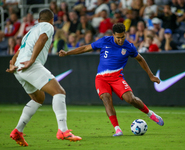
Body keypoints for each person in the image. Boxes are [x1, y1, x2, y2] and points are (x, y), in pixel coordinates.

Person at [59, 23, 164, 137]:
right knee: (106, 98)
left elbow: (140, 59)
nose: (120, 40)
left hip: (117, 78)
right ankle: (117, 129)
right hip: (101, 78)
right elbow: (85, 48)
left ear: (125, 35)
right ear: (113, 35)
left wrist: (151, 75)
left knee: (130, 99)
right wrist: (67, 53)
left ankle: (151, 114)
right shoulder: (105, 40)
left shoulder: (129, 47)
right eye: (118, 37)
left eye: (122, 37)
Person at [6, 9, 82, 147]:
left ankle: (18, 131)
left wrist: (12, 64)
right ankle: (63, 130)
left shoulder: (29, 32)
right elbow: (43, 39)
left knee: (38, 98)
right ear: (52, 20)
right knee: (59, 92)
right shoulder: (48, 26)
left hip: (18, 68)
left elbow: (18, 51)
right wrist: (31, 60)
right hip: (29, 65)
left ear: (38, 20)